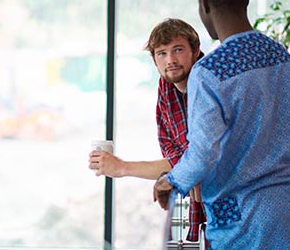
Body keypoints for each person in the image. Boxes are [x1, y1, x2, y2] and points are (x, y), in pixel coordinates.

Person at [153, 0, 290, 249]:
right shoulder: (282, 58)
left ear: (203, 4)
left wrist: (171, 181)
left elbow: (204, 152)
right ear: (246, 0)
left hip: (245, 223)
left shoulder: (209, 71)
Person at [88, 18, 206, 242]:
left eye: (177, 50)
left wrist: (121, 168)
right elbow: (174, 153)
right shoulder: (166, 89)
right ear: (154, 60)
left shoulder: (209, 85)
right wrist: (176, 177)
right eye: (161, 53)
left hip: (231, 204)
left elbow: (198, 158)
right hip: (192, 203)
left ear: (196, 50)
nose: (170, 60)